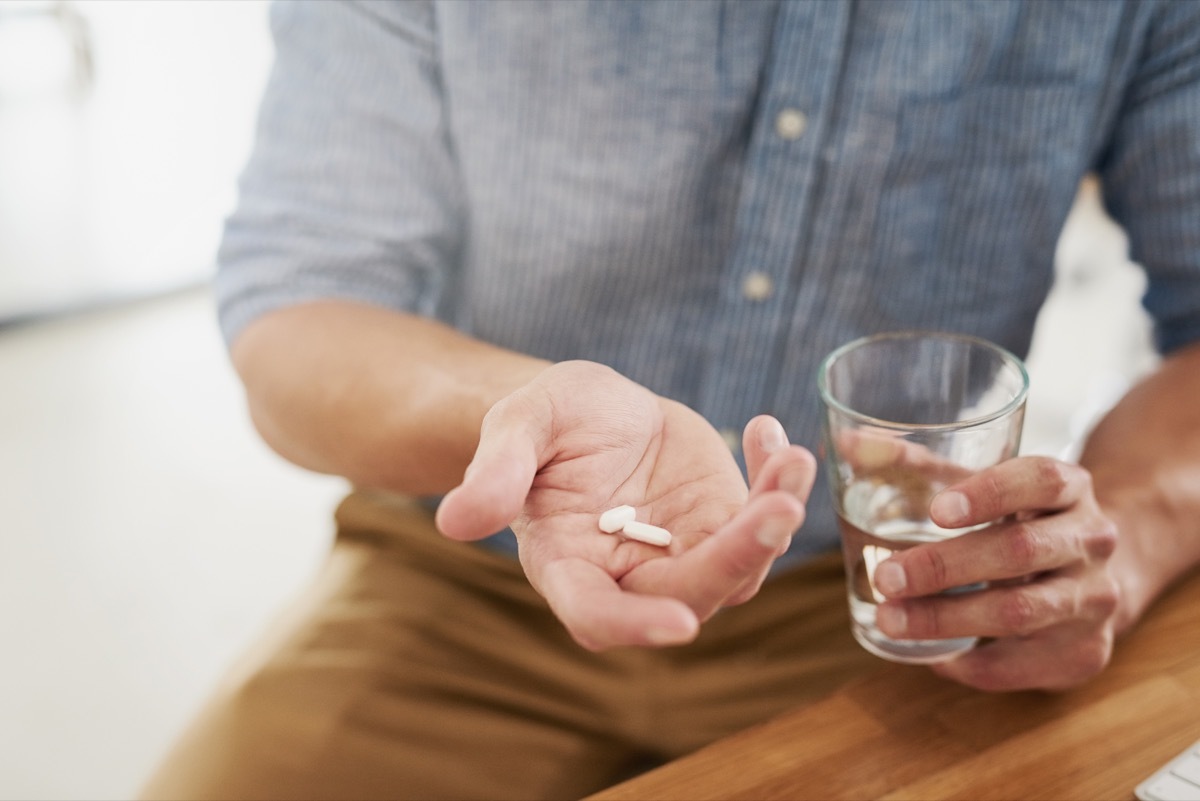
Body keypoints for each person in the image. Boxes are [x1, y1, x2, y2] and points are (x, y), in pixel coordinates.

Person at [141, 1, 1200, 799]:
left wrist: (1132, 523)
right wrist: (522, 413)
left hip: (889, 601)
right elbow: (302, 312)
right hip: (460, 584)